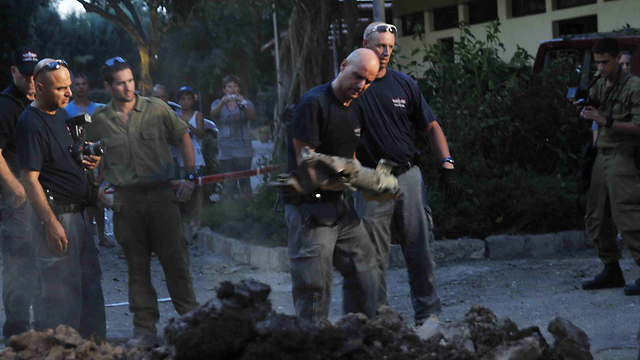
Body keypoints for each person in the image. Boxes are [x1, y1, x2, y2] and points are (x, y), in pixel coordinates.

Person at [87, 57, 199, 341]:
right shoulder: (100, 119)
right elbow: (88, 154)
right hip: (126, 201)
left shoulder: (156, 109)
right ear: (108, 86)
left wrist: (190, 176)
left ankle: (194, 324)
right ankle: (144, 330)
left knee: (176, 262)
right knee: (137, 268)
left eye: (130, 81)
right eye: (120, 83)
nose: (127, 87)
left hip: (162, 199)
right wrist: (95, 187)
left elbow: (183, 136)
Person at [355, 22, 458, 326]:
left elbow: (432, 126)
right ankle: (378, 321)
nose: (385, 52)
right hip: (371, 180)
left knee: (420, 252)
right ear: (365, 44)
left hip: (408, 177)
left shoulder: (404, 84)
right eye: (379, 46)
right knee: (372, 258)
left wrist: (447, 163)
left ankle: (429, 319)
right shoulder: (355, 85)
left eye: (389, 46)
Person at [285, 48, 380, 322]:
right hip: (310, 209)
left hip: (339, 206)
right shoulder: (313, 104)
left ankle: (358, 331)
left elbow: (349, 154)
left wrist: (369, 179)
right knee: (315, 289)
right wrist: (354, 175)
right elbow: (307, 161)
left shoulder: (357, 105)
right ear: (342, 66)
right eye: (358, 77)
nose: (362, 86)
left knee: (365, 265)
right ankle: (313, 344)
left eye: (369, 81)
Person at [16, 58, 106, 339]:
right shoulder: (30, 123)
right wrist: (51, 223)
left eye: (69, 87)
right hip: (57, 217)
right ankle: (57, 351)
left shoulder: (63, 114)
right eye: (61, 89)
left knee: (89, 288)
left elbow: (70, 156)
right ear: (39, 88)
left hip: (79, 215)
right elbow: (30, 179)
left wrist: (88, 160)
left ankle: (93, 351)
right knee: (59, 297)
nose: (69, 93)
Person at [578, 38, 640, 296]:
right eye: (598, 62)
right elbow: (596, 114)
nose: (601, 67)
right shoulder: (602, 83)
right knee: (597, 213)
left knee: (628, 214)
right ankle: (611, 269)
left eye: (605, 62)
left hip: (623, 155)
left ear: (618, 59)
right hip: (603, 154)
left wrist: (606, 120)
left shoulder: (634, 87)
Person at [0, 46, 39, 343]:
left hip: (41, 199)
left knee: (40, 263)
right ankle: (16, 332)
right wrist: (16, 188)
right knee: (19, 264)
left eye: (34, 75)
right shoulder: (5, 105)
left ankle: (40, 329)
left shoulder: (40, 101)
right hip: (16, 202)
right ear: (13, 71)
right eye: (24, 75)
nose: (30, 81)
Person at [64, 73, 114, 248]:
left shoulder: (98, 109)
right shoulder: (66, 110)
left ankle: (102, 236)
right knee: (82, 202)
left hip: (98, 156)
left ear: (88, 86)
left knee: (98, 197)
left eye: (84, 83)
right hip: (76, 158)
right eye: (77, 84)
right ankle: (85, 240)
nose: (81, 87)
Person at [210, 75, 256, 197]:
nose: (232, 89)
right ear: (224, 90)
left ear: (239, 89)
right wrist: (222, 103)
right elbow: (213, 114)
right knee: (229, 184)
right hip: (225, 151)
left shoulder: (245, 103)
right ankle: (231, 210)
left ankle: (248, 209)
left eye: (235, 86)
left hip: (244, 150)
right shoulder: (217, 103)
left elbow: (252, 117)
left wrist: (243, 102)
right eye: (229, 86)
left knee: (245, 182)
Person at [176, 86, 206, 225]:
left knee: (198, 189)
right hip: (183, 159)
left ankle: (200, 219)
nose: (186, 102)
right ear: (179, 101)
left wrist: (187, 125)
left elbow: (201, 133)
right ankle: (190, 219)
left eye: (189, 99)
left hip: (197, 158)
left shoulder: (197, 115)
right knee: (185, 191)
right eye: (183, 99)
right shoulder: (176, 116)